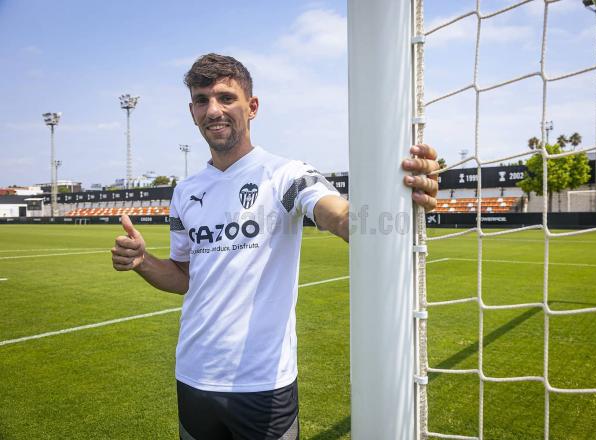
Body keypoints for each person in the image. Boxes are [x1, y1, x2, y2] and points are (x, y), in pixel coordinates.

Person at [111, 53, 440, 440]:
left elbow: (340, 217)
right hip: (194, 375)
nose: (214, 109)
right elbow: (184, 277)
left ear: (252, 107)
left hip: (263, 382)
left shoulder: (286, 175)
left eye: (226, 97)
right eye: (202, 100)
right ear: (192, 111)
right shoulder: (186, 192)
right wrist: (143, 261)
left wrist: (398, 196)